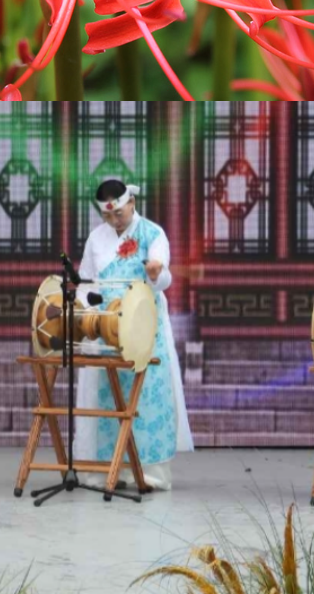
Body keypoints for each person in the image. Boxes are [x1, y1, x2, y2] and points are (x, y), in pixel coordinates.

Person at [74, 179, 192, 491]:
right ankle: (103, 470)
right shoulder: (96, 238)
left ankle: (148, 473)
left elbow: (163, 277)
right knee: (106, 398)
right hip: (107, 327)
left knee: (146, 398)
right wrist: (86, 309)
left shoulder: (152, 233)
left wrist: (156, 273)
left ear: (132, 204)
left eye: (120, 213)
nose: (115, 220)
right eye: (108, 216)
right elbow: (86, 281)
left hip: (143, 326)